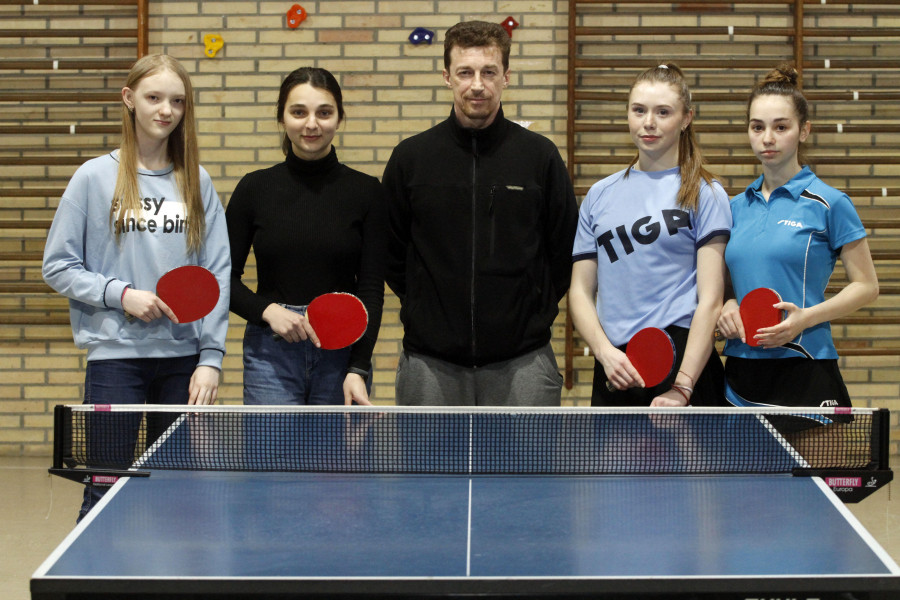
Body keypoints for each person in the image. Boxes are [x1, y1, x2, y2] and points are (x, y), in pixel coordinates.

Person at [42, 54, 230, 520]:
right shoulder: (93, 177)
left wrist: (211, 359)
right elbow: (58, 265)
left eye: (177, 101)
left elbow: (217, 271)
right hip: (115, 359)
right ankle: (89, 588)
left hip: (182, 362)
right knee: (105, 487)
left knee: (178, 489)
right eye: (154, 98)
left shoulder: (197, 181)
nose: (166, 110)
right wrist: (120, 294)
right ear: (129, 100)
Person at [382, 20, 578, 407]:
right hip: (429, 363)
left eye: (489, 72)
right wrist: (427, 306)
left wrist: (531, 307)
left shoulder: (539, 157)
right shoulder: (411, 159)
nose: (477, 84)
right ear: (446, 77)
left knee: (525, 471)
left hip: (524, 360)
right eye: (465, 72)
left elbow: (564, 250)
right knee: (429, 469)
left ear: (506, 76)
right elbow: (390, 252)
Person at [715, 64, 878, 410]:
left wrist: (807, 317)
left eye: (781, 127)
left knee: (820, 467)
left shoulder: (830, 203)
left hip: (806, 362)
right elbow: (726, 283)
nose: (768, 138)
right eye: (757, 127)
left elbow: (867, 286)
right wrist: (727, 305)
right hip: (742, 368)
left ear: (804, 131)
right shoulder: (733, 208)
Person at [569, 63, 732, 407]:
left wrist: (683, 387)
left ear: (686, 118)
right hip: (616, 368)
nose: (649, 122)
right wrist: (603, 353)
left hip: (683, 363)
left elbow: (711, 300)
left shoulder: (706, 192)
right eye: (639, 110)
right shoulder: (599, 195)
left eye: (663, 112)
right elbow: (580, 292)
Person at [226, 67, 386, 406]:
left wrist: (358, 367)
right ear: (282, 117)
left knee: (336, 460)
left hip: (341, 354)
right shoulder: (254, 188)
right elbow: (223, 279)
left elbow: (370, 289)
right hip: (271, 351)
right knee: (270, 459)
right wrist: (268, 311)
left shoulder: (366, 191)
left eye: (324, 112)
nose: (311, 124)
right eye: (299, 112)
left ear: (339, 118)